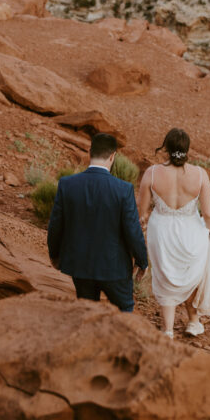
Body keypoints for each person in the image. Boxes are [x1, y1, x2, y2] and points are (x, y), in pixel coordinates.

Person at [47, 131, 148, 313]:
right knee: (125, 310)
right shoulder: (123, 190)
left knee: (87, 312)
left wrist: (54, 255)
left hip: (80, 265)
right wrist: (142, 261)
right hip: (114, 267)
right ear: (112, 156)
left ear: (89, 152)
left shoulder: (67, 184)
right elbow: (132, 231)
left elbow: (55, 225)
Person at [137, 127, 210, 338]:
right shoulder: (200, 175)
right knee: (191, 273)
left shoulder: (152, 173)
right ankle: (193, 322)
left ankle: (167, 330)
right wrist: (209, 231)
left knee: (165, 275)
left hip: (161, 230)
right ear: (187, 149)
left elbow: (141, 211)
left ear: (166, 147)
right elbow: (209, 214)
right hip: (190, 231)